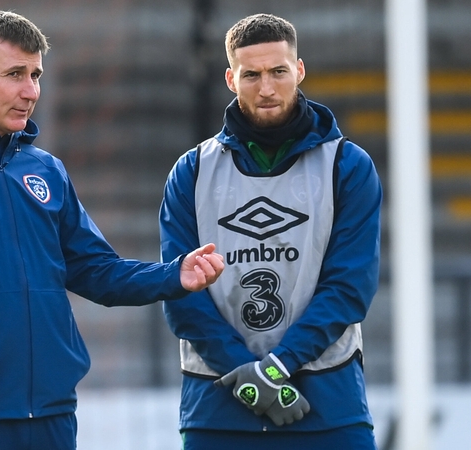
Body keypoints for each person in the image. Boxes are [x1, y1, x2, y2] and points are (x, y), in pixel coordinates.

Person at [0, 10, 225, 450]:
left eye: (36, 74)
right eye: (15, 74)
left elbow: (95, 270)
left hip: (52, 413)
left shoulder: (46, 170)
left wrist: (173, 275)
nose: (31, 91)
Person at [160, 13, 382, 449]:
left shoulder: (348, 166)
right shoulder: (191, 171)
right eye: (251, 75)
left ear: (298, 70)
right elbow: (181, 291)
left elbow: (349, 286)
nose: (266, 88)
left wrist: (273, 368)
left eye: (278, 71)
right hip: (218, 411)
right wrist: (244, 375)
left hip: (328, 406)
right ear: (230, 78)